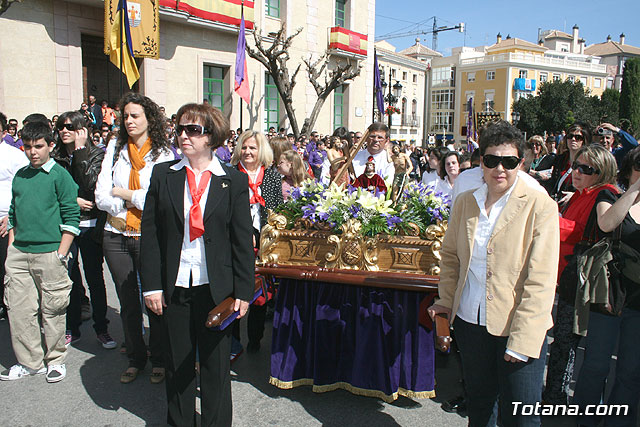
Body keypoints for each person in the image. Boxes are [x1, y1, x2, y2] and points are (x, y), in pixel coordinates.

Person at [428, 120, 560, 426]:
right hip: (471, 324)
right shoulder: (465, 203)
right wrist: (446, 301)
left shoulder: (540, 206)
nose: (500, 169)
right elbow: (451, 258)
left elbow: (540, 280)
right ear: (480, 162)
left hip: (518, 327)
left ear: (521, 164)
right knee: (480, 410)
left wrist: (522, 339)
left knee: (521, 418)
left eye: (509, 161)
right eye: (491, 160)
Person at [141, 103, 254, 426]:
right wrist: (151, 285)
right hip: (175, 286)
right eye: (179, 128)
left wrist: (243, 292)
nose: (183, 136)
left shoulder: (232, 180)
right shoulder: (164, 175)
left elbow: (241, 240)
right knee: (177, 365)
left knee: (216, 368)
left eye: (193, 130)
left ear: (212, 138)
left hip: (216, 287)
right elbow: (151, 236)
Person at [95, 92, 174, 384]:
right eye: (125, 116)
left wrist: (126, 194)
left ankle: (160, 358)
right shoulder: (115, 147)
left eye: (135, 116)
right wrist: (126, 201)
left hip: (148, 236)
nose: (128, 121)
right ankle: (136, 357)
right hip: (114, 234)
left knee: (153, 299)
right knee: (127, 302)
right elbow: (101, 195)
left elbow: (160, 198)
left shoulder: (163, 153)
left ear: (149, 119)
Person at [1, 121, 80, 383]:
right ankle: (30, 362)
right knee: (20, 311)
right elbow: (13, 213)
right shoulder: (21, 175)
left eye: (38, 146)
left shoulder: (60, 175)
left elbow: (71, 216)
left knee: (53, 309)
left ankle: (55, 359)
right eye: (27, 146)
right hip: (19, 254)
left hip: (50, 254)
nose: (32, 152)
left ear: (50, 146)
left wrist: (61, 253)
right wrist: (12, 245)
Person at [543, 144, 619, 406]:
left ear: (602, 171)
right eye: (576, 166)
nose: (577, 172)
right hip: (566, 273)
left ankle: (556, 398)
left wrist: (550, 216)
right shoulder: (581, 193)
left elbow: (581, 232)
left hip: (580, 277)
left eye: (586, 169)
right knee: (564, 339)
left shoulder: (604, 194)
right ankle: (553, 394)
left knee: (566, 341)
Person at [572, 146, 640, 426]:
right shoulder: (609, 195)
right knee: (596, 366)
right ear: (629, 170)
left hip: (638, 302)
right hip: (609, 293)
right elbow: (606, 223)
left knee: (630, 371)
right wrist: (635, 190)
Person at [52, 111, 115, 349]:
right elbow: (53, 190)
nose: (65, 131)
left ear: (82, 130)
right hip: (66, 224)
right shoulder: (56, 157)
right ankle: (72, 327)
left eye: (70, 127)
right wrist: (71, 200)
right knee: (69, 277)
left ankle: (102, 328)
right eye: (61, 127)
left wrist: (80, 152)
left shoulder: (97, 153)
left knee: (94, 278)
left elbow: (90, 185)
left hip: (91, 225)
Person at [230, 130, 283, 356]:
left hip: (264, 243)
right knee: (233, 293)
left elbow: (277, 208)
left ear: (261, 151)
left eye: (252, 148)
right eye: (244, 147)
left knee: (261, 294)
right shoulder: (229, 174)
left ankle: (255, 338)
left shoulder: (271, 176)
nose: (248, 152)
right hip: (236, 243)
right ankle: (232, 342)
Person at [0, 112, 29, 321]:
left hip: (5, 221)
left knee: (7, 267)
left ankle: (9, 305)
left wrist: (10, 218)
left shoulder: (14, 155)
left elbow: (23, 190)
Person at [548, 123, 591, 201]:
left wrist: (574, 196)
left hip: (577, 203)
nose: (573, 139)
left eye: (578, 137)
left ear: (584, 140)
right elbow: (553, 181)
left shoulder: (589, 163)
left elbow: (591, 188)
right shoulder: (560, 159)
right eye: (570, 136)